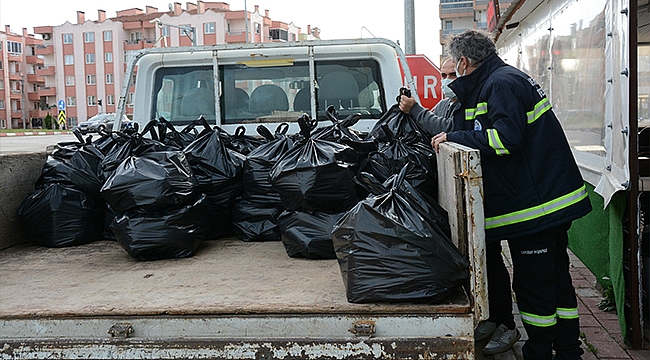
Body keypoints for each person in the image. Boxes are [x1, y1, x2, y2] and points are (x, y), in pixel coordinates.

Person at [432, 29, 592, 360]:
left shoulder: (500, 84)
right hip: (544, 204)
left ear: (464, 61)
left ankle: (539, 351)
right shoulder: (500, 80)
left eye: (453, 68)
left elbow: (506, 138)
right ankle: (567, 350)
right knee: (557, 281)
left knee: (535, 287)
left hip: (538, 209)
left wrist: (457, 137)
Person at [398, 57, 459, 137]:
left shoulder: (468, 103)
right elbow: (428, 128)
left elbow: (447, 128)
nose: (447, 80)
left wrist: (414, 109)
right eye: (444, 76)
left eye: (453, 75)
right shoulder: (442, 105)